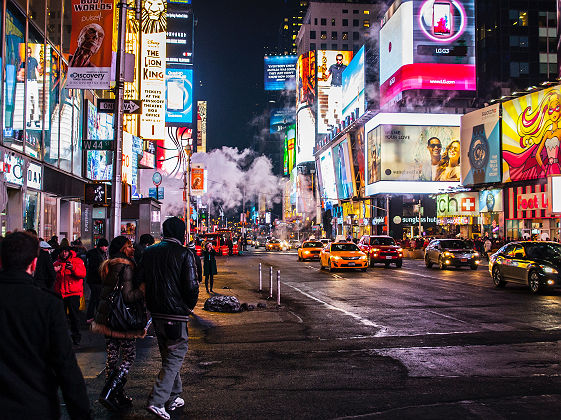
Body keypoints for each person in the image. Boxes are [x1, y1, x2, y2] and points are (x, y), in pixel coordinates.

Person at [0, 232, 91, 419]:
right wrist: (81, 413)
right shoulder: (47, 304)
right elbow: (65, 365)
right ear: (33, 263)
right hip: (34, 404)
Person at [137, 217, 200, 420]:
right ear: (181, 233)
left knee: (168, 353)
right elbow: (191, 286)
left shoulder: (149, 252)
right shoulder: (185, 253)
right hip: (175, 313)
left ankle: (173, 396)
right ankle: (157, 400)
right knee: (176, 353)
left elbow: (140, 280)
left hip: (156, 312)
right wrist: (187, 307)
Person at [96, 236, 146, 411]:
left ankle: (117, 393)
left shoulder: (109, 265)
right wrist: (142, 290)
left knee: (112, 358)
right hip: (122, 320)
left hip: (107, 317)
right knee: (129, 357)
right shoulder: (125, 267)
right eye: (129, 246)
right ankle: (110, 391)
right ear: (123, 249)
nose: (132, 248)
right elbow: (127, 297)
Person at [54, 245, 87, 345]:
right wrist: (55, 271)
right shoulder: (56, 263)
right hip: (60, 293)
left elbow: (82, 274)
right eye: (62, 252)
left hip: (73, 293)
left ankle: (76, 337)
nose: (64, 254)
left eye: (66, 252)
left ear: (69, 252)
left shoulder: (77, 261)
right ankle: (63, 337)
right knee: (61, 317)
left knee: (74, 317)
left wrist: (73, 269)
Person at [85, 238, 109, 323]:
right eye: (105, 246)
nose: (106, 248)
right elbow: (95, 268)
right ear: (101, 246)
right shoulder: (95, 255)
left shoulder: (99, 253)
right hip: (95, 280)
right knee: (95, 298)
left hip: (96, 280)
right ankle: (91, 316)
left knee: (96, 298)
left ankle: (93, 316)